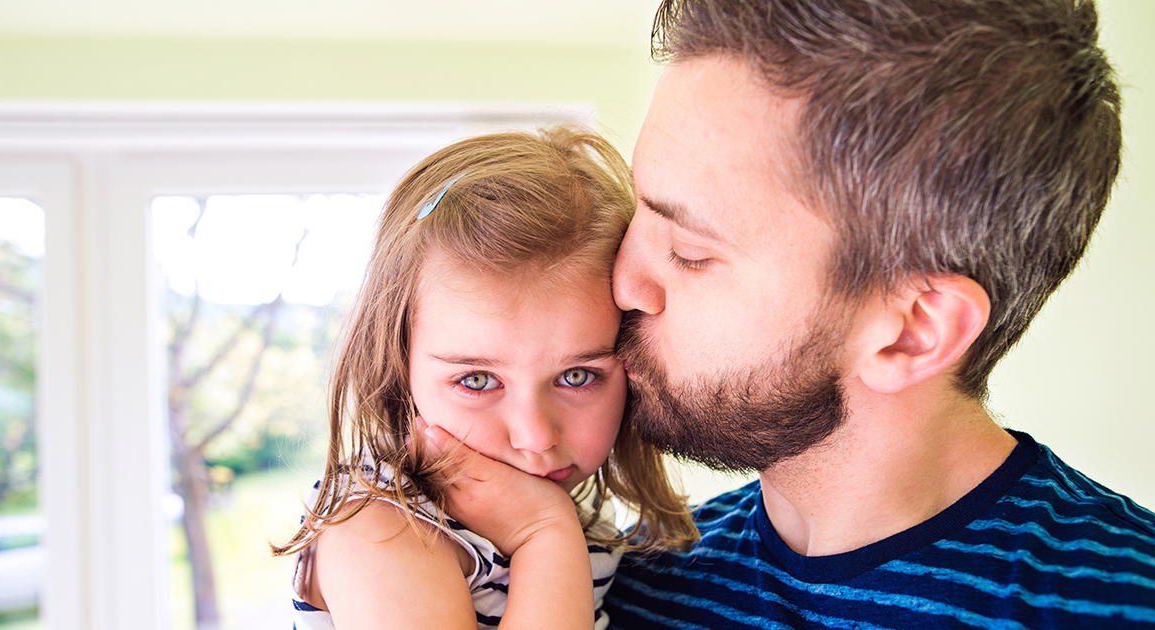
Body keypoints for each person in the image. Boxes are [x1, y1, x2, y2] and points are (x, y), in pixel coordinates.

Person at [588, 0, 1155, 627]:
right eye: (635, 210)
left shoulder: (1124, 603)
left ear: (913, 333)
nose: (622, 283)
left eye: (689, 252)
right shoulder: (613, 588)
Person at [272, 125, 698, 630]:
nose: (535, 435)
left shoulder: (590, 526)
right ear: (396, 366)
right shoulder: (378, 527)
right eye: (477, 381)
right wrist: (545, 535)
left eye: (578, 375)